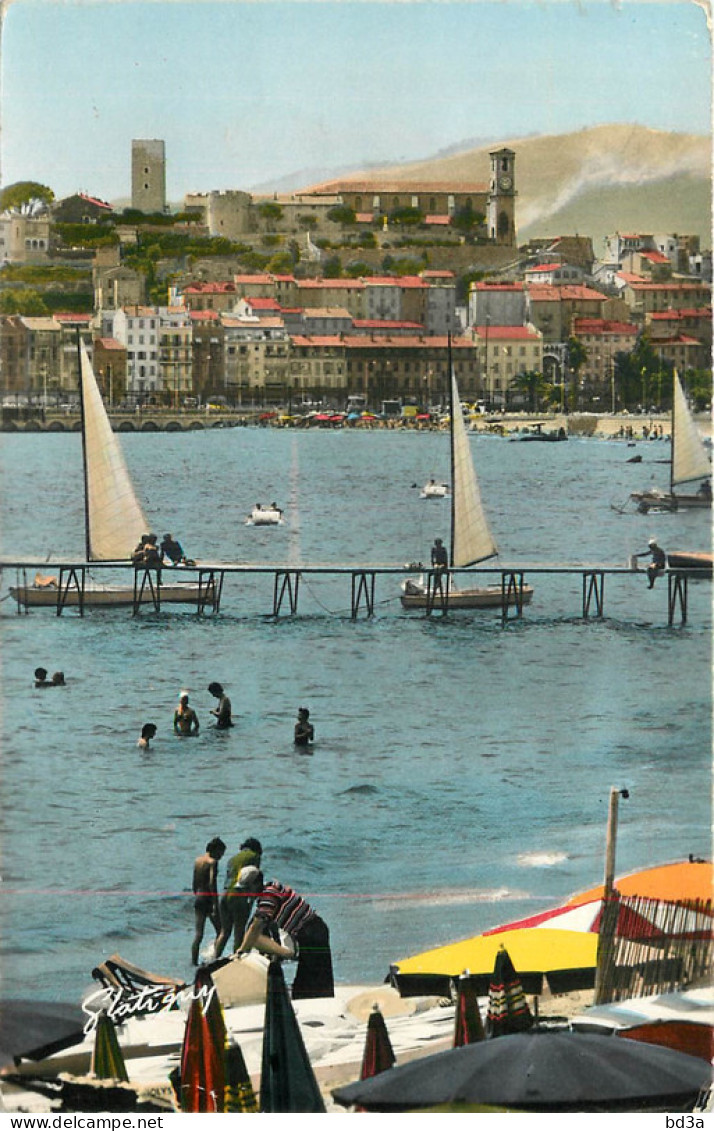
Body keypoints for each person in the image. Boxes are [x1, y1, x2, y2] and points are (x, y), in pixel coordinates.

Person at [235, 876, 334, 1000]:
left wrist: (242, 950)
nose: (245, 893)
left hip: (312, 932)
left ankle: (319, 1003)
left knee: (312, 980)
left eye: (246, 889)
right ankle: (318, 999)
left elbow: (256, 925)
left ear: (256, 884)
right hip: (312, 931)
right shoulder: (271, 889)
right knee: (311, 978)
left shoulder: (268, 896)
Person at [214, 837, 263, 957]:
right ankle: (236, 960)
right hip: (238, 896)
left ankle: (214, 959)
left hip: (225, 895)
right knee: (239, 933)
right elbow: (254, 878)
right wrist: (252, 900)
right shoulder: (254, 856)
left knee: (224, 932)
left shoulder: (232, 859)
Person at [191, 836, 226, 965]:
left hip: (199, 898)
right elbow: (212, 883)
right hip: (208, 899)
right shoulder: (212, 862)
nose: (221, 857)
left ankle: (193, 963)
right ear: (216, 850)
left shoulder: (197, 861)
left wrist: (197, 894)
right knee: (221, 931)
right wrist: (215, 904)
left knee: (198, 934)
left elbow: (194, 883)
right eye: (221, 853)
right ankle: (214, 959)